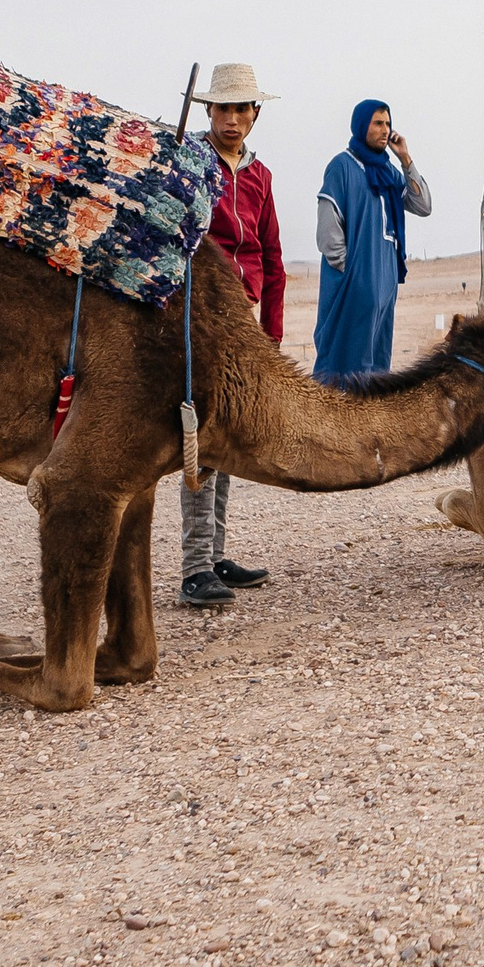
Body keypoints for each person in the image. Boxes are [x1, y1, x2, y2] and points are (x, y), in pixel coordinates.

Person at [180, 63, 285, 609]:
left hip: (245, 318)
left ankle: (215, 556)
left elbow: (270, 252)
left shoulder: (260, 175)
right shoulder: (189, 164)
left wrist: (272, 328)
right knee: (203, 434)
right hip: (202, 312)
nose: (234, 118)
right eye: (225, 108)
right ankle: (194, 568)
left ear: (254, 115)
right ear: (208, 112)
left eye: (243, 109)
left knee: (231, 432)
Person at [313, 100, 432, 383]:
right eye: (377, 123)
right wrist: (351, 271)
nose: (385, 129)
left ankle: (367, 422)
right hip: (353, 280)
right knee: (342, 356)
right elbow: (328, 229)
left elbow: (423, 205)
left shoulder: (389, 172)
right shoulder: (342, 166)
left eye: (388, 123)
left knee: (376, 361)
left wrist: (405, 159)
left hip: (385, 281)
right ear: (360, 125)